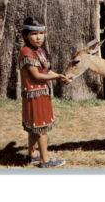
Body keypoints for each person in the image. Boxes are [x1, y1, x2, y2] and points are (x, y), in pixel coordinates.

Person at [18, 16, 71, 168]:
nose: (39, 37)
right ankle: (45, 161)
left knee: (34, 127)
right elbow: (36, 75)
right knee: (41, 128)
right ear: (26, 35)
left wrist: (59, 76)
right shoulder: (26, 52)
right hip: (35, 95)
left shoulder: (39, 51)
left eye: (41, 33)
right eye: (34, 34)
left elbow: (46, 70)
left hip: (41, 93)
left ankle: (31, 155)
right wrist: (54, 77)